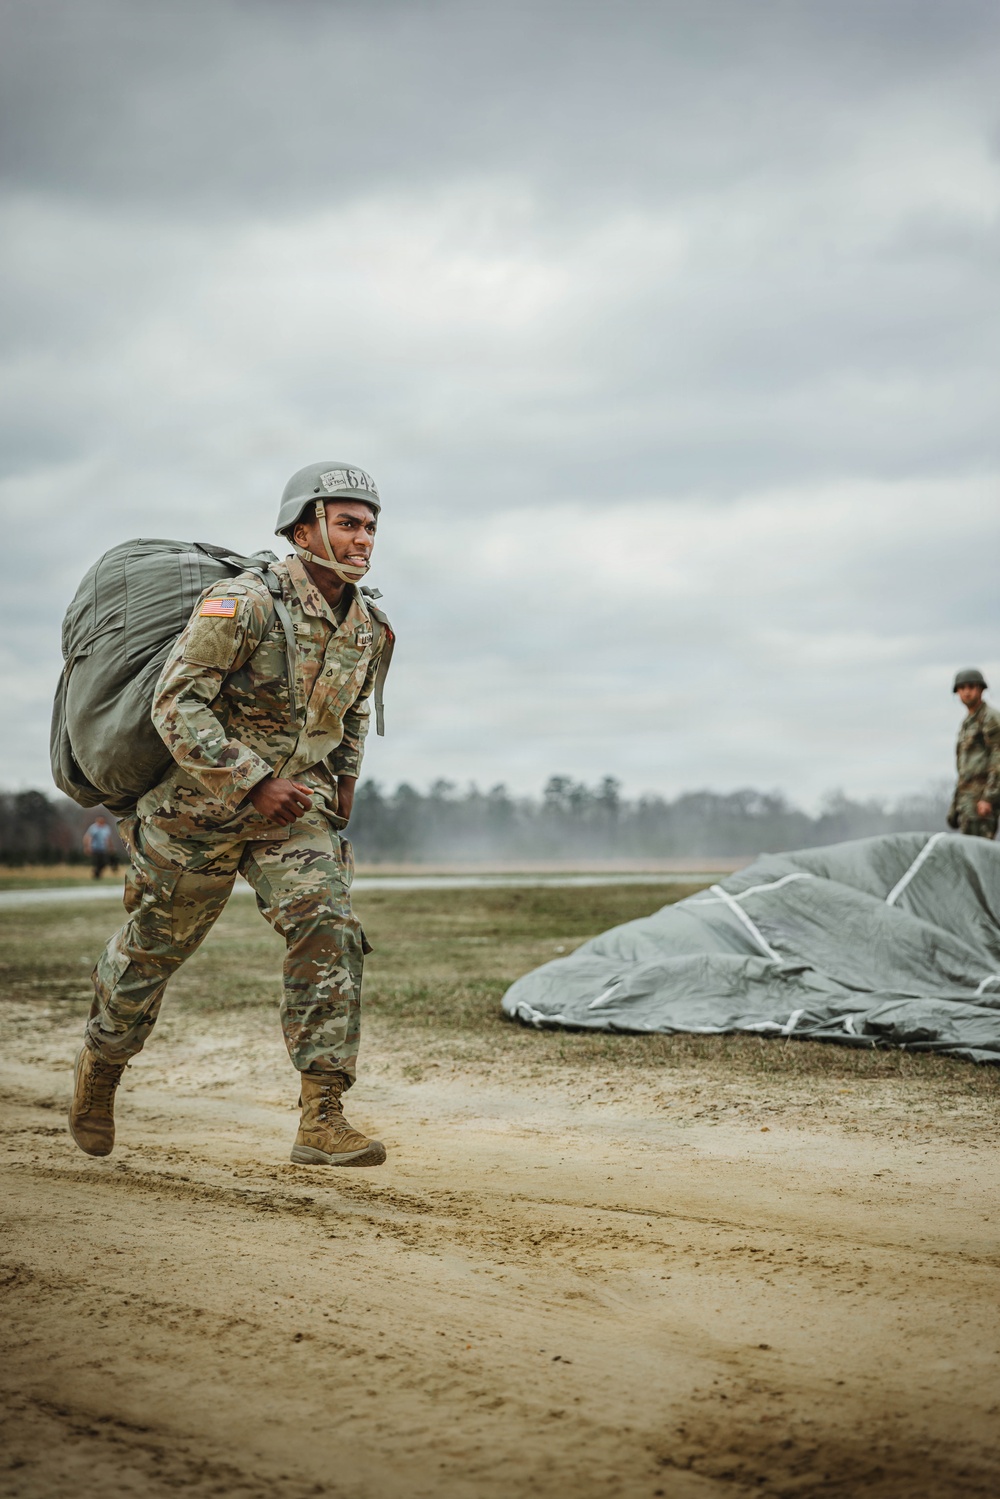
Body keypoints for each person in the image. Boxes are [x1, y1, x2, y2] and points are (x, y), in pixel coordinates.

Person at [69, 461, 392, 1169]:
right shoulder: (243, 603)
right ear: (303, 530)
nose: (364, 538)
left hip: (292, 813)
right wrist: (251, 782)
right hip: (195, 812)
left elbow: (354, 708)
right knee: (154, 950)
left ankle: (322, 1113)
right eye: (348, 523)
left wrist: (344, 778)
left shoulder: (368, 624)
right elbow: (175, 703)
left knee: (329, 925)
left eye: (370, 526)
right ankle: (102, 1063)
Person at [947, 669, 1000, 840]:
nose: (966, 692)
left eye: (971, 687)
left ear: (981, 689)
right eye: (962, 688)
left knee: (979, 851)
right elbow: (964, 768)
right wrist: (955, 803)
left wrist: (989, 798)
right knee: (967, 850)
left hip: (981, 798)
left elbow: (998, 759)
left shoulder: (990, 719)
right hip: (967, 799)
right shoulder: (967, 722)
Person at [82, 814, 118, 879]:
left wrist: (111, 847)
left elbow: (108, 839)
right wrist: (87, 847)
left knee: (104, 862)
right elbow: (88, 838)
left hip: (103, 848)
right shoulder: (93, 828)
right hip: (95, 848)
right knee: (97, 862)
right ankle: (96, 875)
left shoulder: (106, 828)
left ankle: (97, 873)